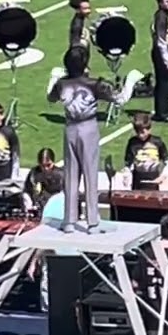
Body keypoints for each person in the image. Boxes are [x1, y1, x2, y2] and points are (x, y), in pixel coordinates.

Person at [46, 47, 138, 233]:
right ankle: (92, 221)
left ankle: (69, 221)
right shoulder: (94, 84)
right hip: (88, 127)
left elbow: (51, 97)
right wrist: (131, 82)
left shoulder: (62, 84)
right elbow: (120, 99)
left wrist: (53, 78)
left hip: (70, 127)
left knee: (71, 175)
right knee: (90, 173)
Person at [124, 112, 168, 190]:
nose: (140, 135)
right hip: (137, 178)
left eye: (143, 132)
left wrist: (162, 177)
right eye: (137, 132)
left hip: (153, 177)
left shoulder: (157, 142)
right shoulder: (132, 142)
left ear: (149, 129)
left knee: (152, 200)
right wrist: (127, 177)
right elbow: (128, 163)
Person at [23, 148, 64, 214]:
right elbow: (26, 191)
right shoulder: (33, 173)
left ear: (53, 162)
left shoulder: (60, 175)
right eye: (42, 165)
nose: (46, 169)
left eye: (48, 165)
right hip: (38, 208)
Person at [68, 0, 93, 71]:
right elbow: (75, 45)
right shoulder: (77, 25)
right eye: (85, 9)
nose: (89, 11)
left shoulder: (81, 20)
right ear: (78, 10)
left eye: (89, 8)